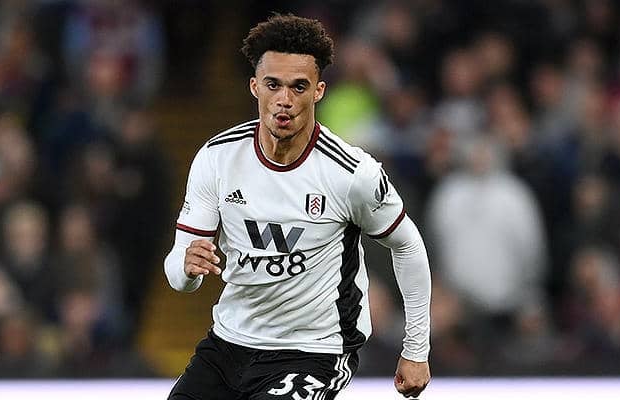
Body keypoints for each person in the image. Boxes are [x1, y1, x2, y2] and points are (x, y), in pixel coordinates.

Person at [164, 14, 431, 399]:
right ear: (255, 86)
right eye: (273, 85)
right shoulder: (217, 158)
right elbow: (179, 270)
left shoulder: (351, 173)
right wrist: (188, 270)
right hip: (228, 345)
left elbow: (408, 245)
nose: (284, 100)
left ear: (318, 91)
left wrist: (416, 349)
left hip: (312, 352)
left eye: (298, 86)